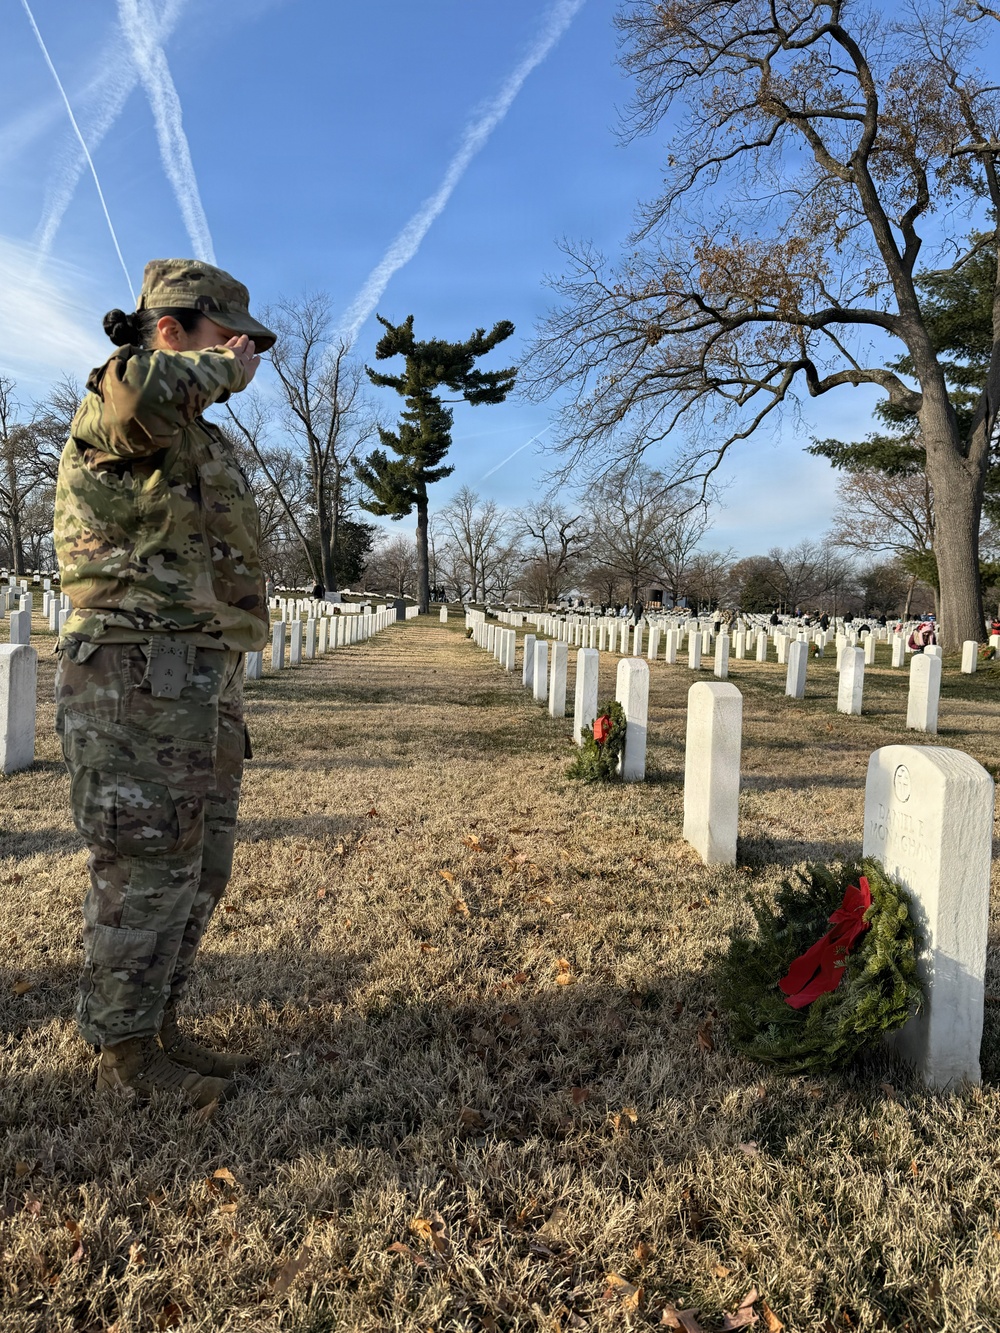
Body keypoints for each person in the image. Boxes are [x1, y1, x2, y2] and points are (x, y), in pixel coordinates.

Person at [54, 259, 276, 1108]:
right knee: (146, 864)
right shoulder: (118, 402)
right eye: (233, 336)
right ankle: (122, 1057)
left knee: (201, 864)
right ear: (174, 331)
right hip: (132, 678)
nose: (246, 354)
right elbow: (134, 395)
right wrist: (217, 368)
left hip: (199, 678)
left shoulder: (196, 432)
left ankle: (155, 1025)